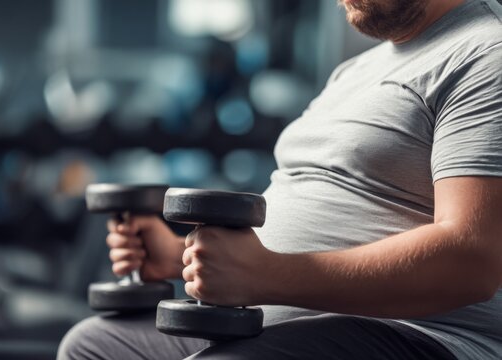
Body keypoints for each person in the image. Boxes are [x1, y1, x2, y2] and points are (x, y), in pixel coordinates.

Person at [58, 0, 502, 358]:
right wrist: (183, 258)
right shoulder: (353, 71)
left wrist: (269, 275)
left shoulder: (484, 52)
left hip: (416, 335)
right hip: (273, 320)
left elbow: (471, 261)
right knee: (95, 344)